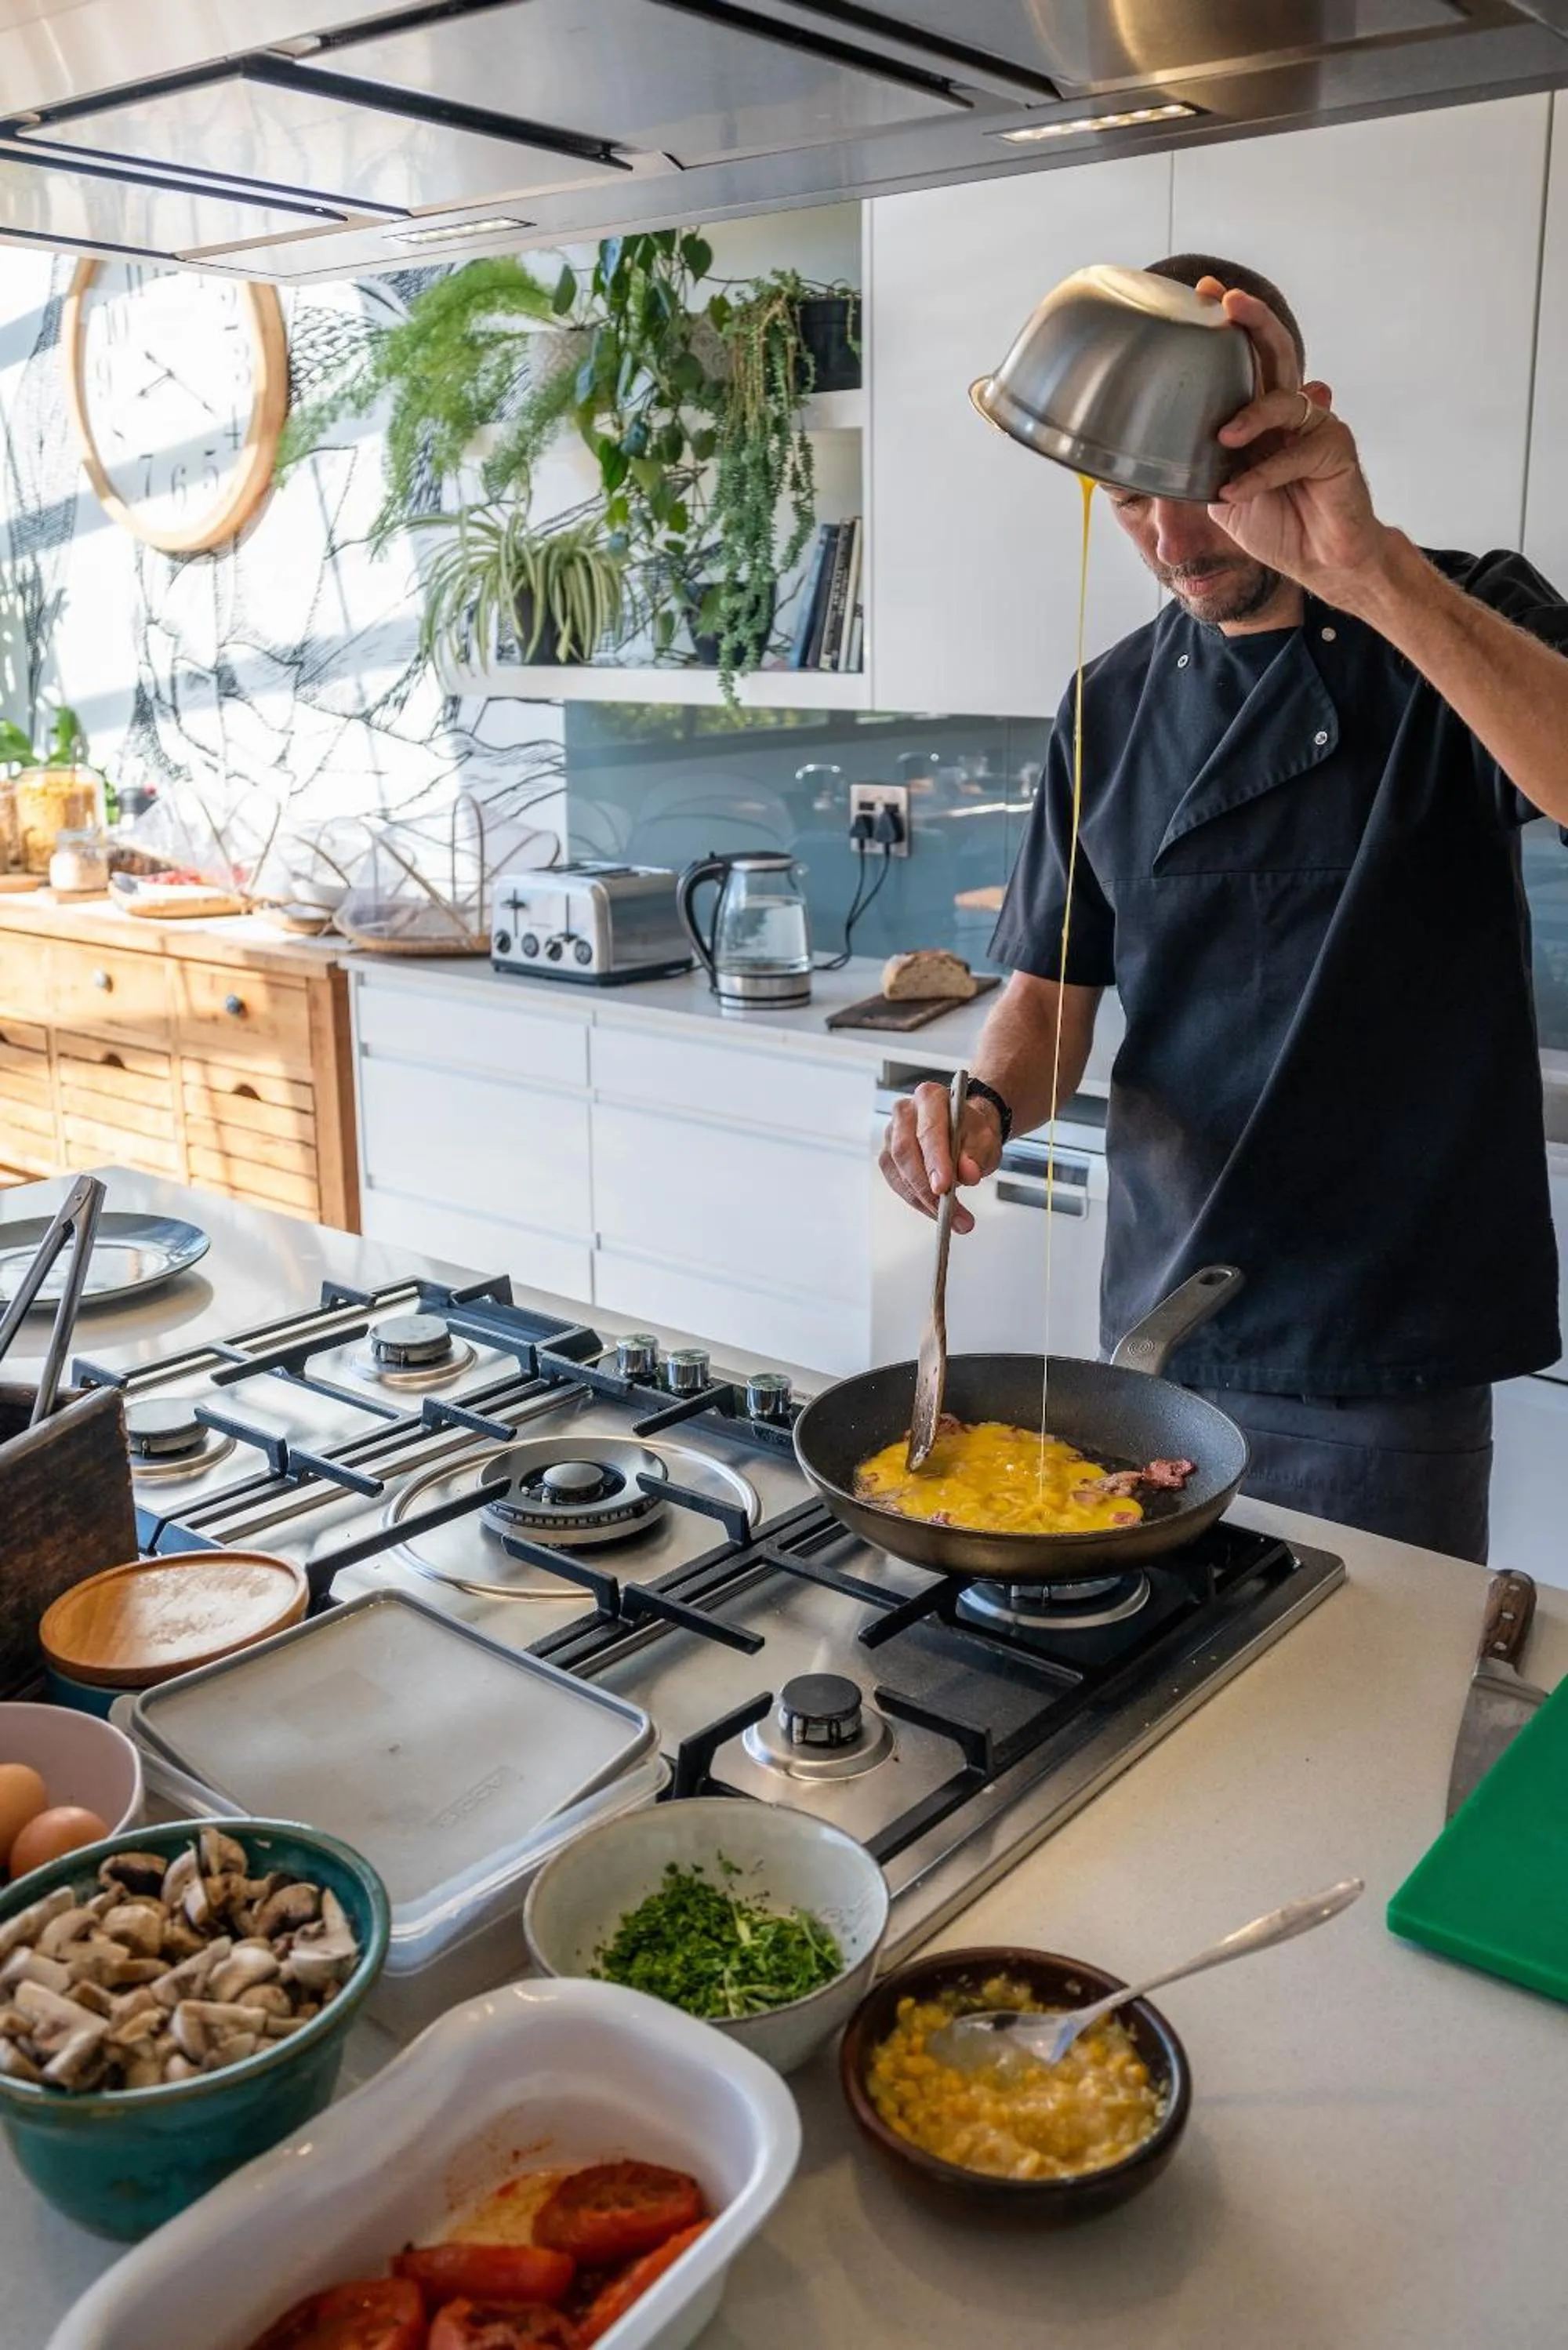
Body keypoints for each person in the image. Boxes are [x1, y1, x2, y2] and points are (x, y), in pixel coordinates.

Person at [880, 252, 1568, 1563]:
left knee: (1360, 1730)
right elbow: (1045, 1002)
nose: (1176, 542)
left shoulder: (1458, 615)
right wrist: (980, 1104)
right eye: (1134, 499)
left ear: (1300, 428)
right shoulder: (1108, 703)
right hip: (1155, 1346)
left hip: (1387, 1355)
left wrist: (1369, 571)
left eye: (1209, 489)